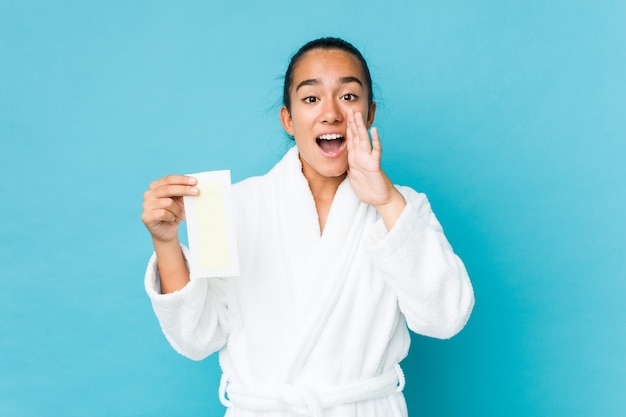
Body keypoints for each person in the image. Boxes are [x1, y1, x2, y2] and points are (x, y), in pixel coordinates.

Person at [141, 37, 474, 417]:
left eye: (348, 97)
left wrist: (385, 200)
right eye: (311, 98)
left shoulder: (403, 207)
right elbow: (197, 337)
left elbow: (445, 317)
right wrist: (166, 243)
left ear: (369, 114)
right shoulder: (235, 206)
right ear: (288, 118)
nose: (331, 112)